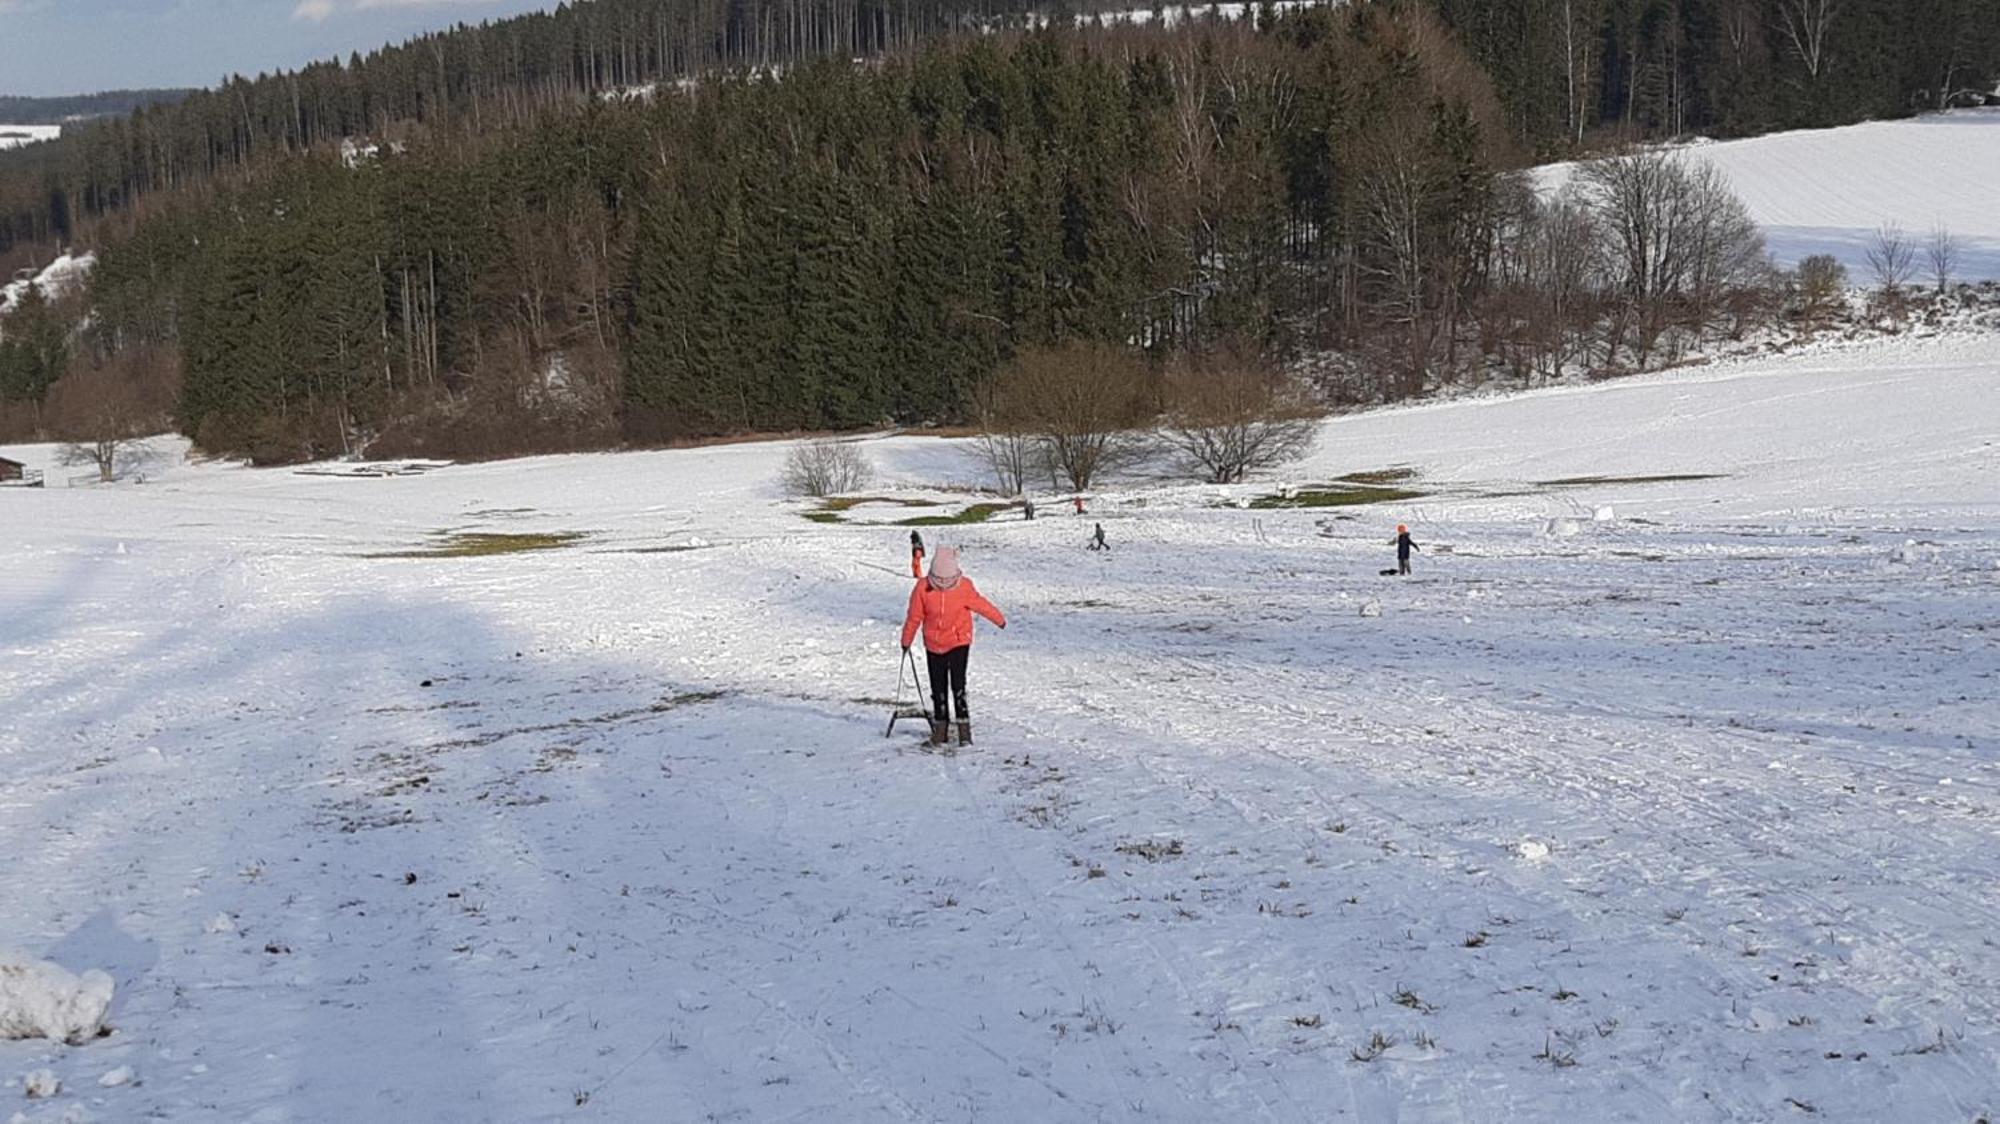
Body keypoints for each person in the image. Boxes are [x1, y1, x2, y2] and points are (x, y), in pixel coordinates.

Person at [900, 546, 1006, 747]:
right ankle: (941, 731)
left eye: (946, 580)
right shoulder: (923, 588)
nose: (942, 584)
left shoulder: (961, 586)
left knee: (957, 686)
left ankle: (964, 731)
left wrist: (999, 619)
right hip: (935, 645)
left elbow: (981, 605)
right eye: (939, 580)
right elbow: (914, 617)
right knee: (938, 688)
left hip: (958, 642)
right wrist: (906, 640)